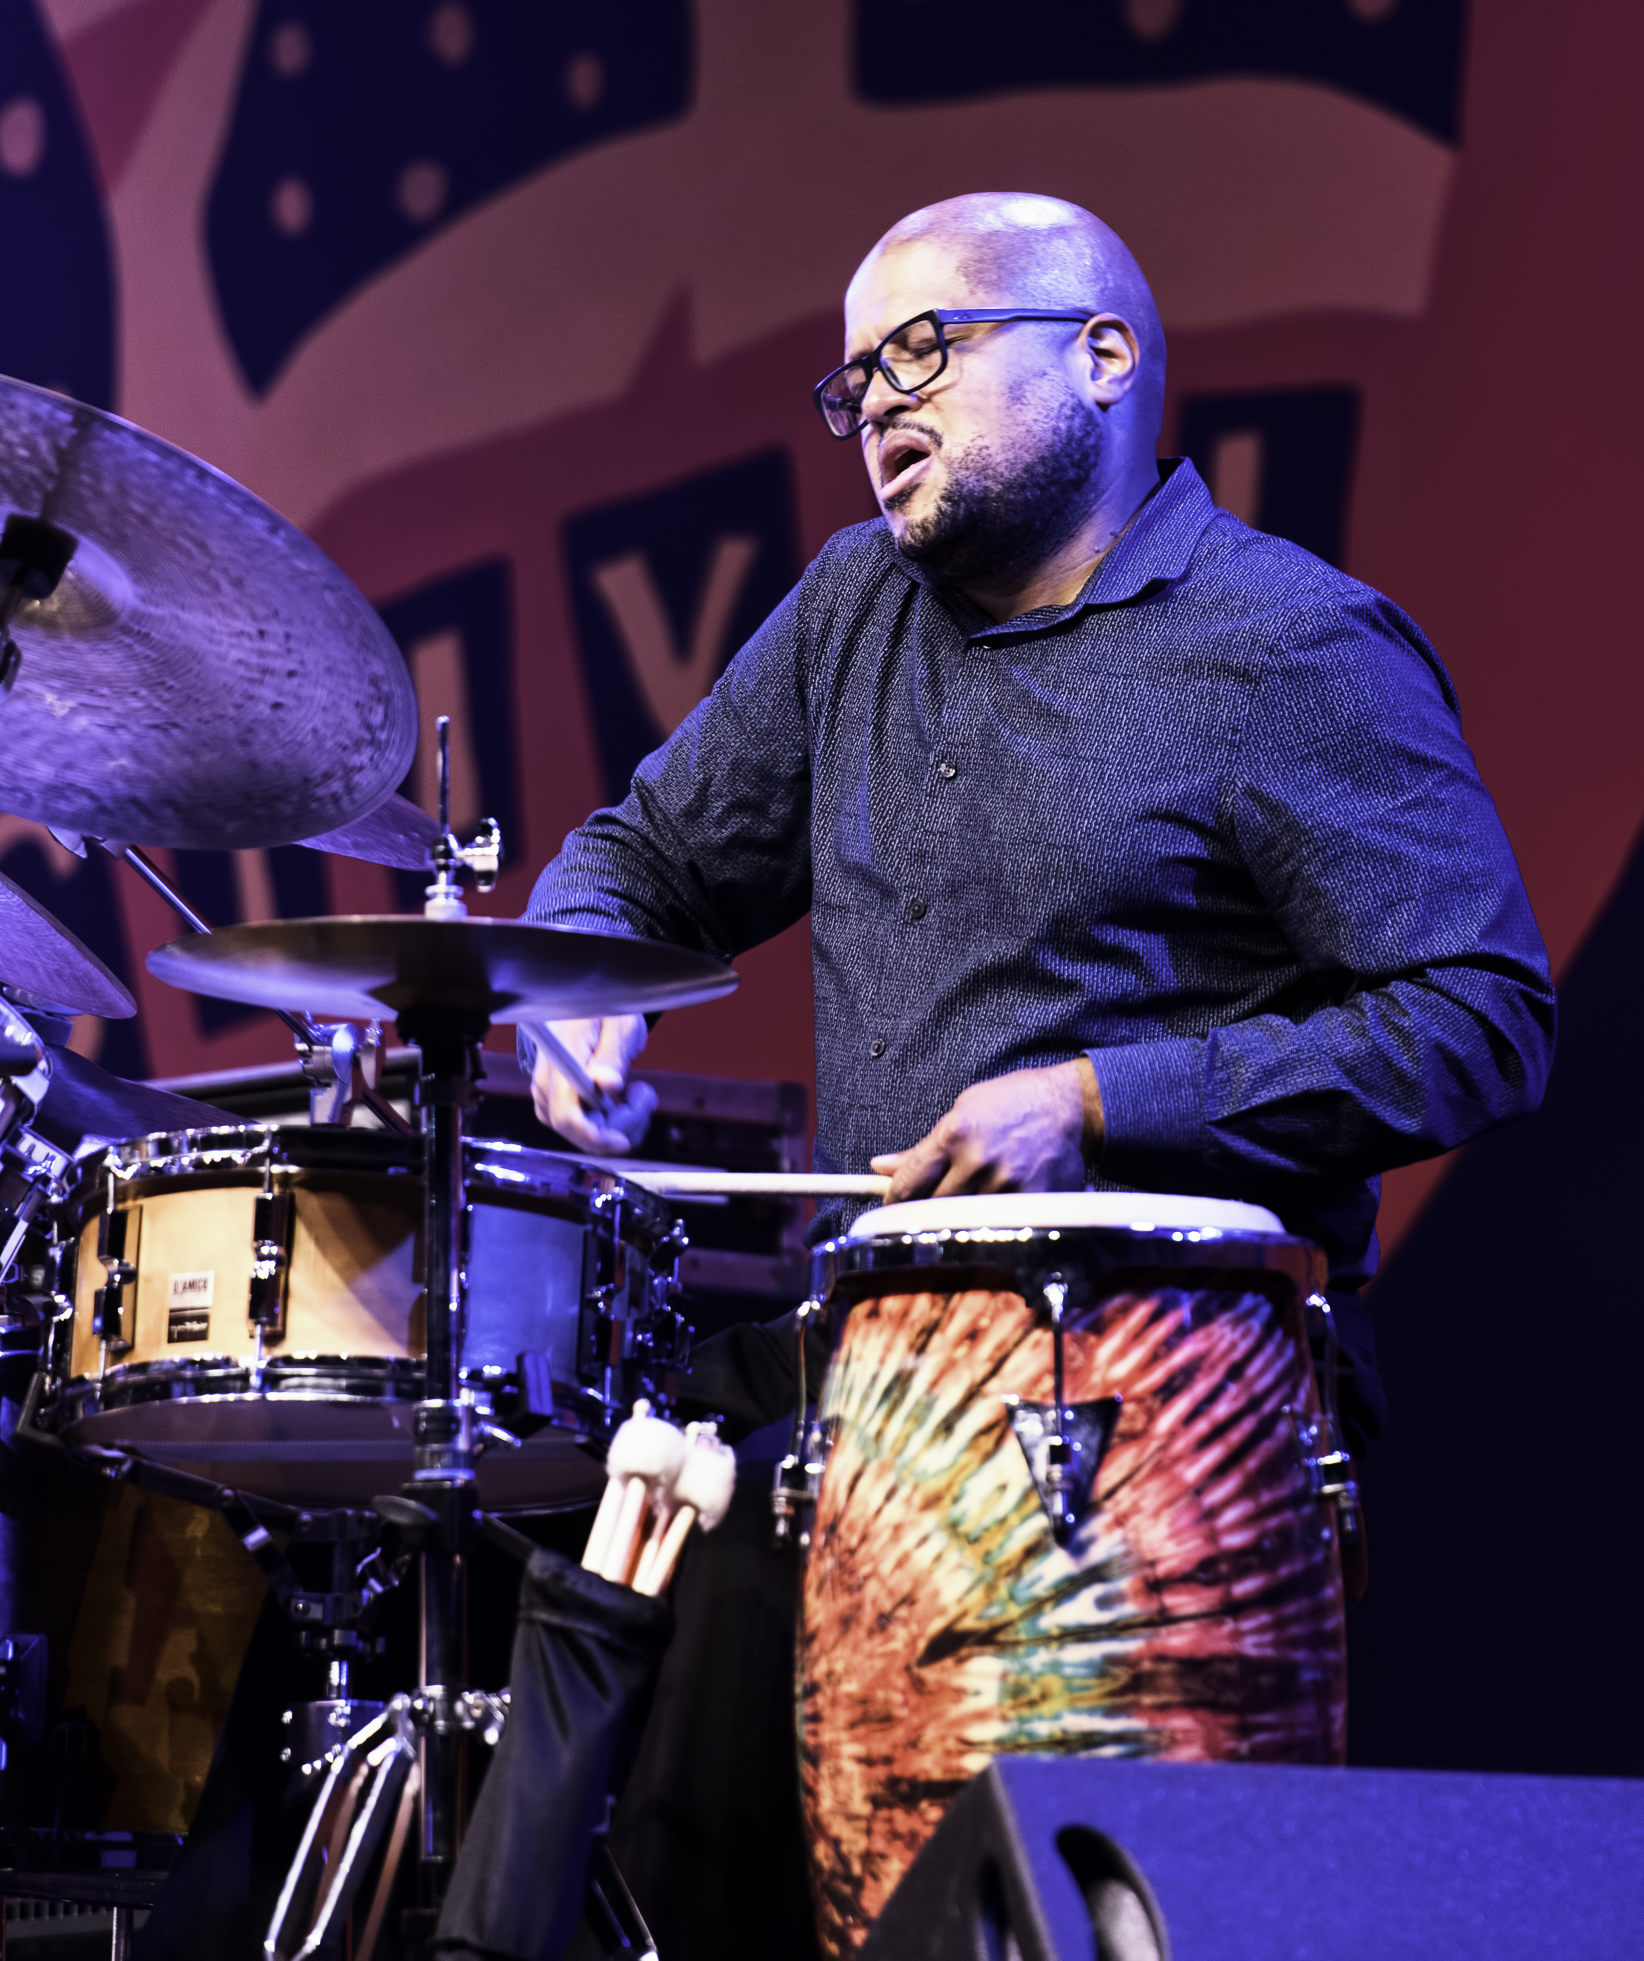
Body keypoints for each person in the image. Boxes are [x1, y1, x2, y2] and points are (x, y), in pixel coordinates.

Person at [523, 191, 1555, 1957]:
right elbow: (643, 861)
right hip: (877, 1371)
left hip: (1167, 1381)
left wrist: (1097, 1104)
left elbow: (1482, 1018)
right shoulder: (855, 607)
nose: (879, 407)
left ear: (1102, 358)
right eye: (854, 380)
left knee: (750, 1601)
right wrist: (577, 984)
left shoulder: (1290, 647)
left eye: (924, 347)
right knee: (529, 1512)